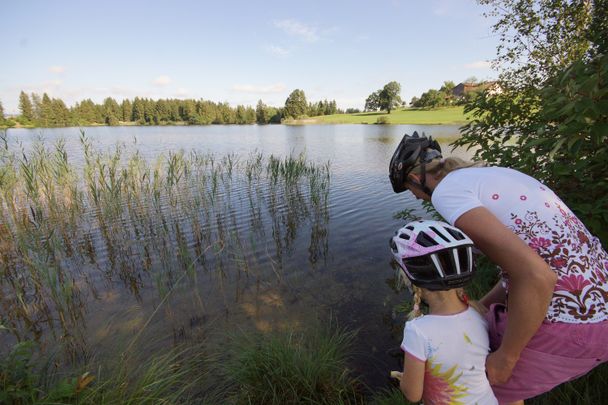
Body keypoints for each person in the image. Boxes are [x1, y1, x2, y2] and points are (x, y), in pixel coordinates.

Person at [388, 131, 608, 404]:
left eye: (411, 191)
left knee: (465, 389)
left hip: (571, 321)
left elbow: (536, 275)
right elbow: (526, 266)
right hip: (598, 309)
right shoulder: (494, 175)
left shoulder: (447, 192)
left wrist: (507, 357)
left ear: (415, 177)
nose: (418, 199)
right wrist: (479, 304)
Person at [389, 220, 498, 405]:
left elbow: (413, 394)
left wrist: (405, 379)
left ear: (412, 282)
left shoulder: (418, 331)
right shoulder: (479, 313)